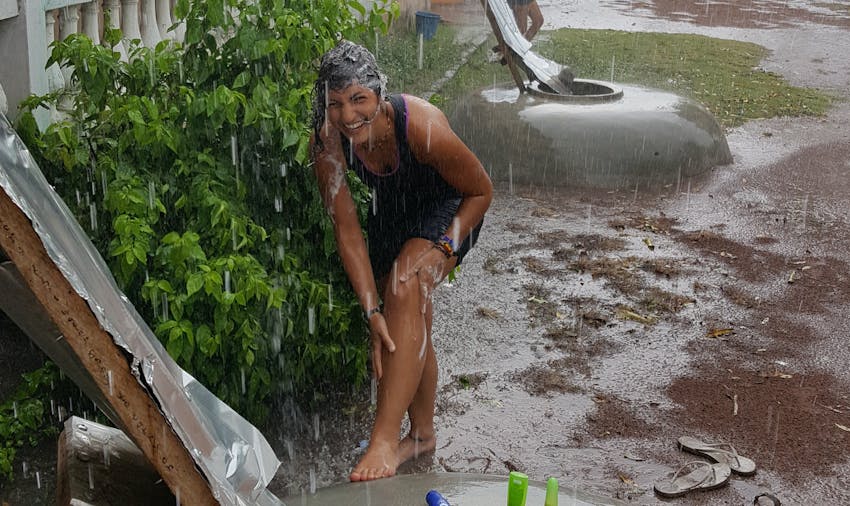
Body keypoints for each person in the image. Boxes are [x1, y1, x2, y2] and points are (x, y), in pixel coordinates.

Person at [310, 40, 493, 482]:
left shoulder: (421, 126)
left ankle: (384, 440)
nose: (348, 115)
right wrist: (371, 311)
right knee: (402, 315)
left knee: (406, 285)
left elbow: (481, 191)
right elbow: (347, 231)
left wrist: (445, 249)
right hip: (392, 214)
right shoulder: (327, 142)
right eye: (335, 104)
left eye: (358, 99)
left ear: (378, 93)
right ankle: (422, 436)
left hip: (450, 208)